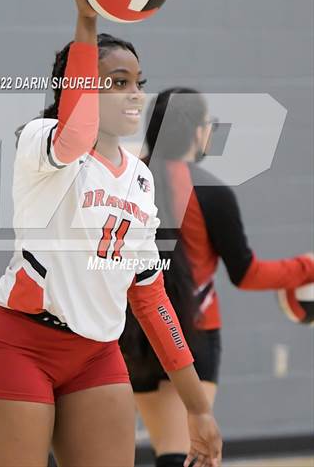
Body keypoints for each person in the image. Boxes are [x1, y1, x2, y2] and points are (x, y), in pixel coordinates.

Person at [0, 0, 222, 467]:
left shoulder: (140, 180)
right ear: (77, 87)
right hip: (20, 347)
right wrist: (85, 18)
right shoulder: (43, 142)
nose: (134, 94)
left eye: (138, 83)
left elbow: (151, 299)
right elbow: (77, 129)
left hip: (97, 355)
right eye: (116, 83)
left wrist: (198, 408)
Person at [120, 87, 314, 467]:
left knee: (169, 452)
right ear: (195, 131)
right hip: (193, 334)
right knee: (189, 455)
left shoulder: (125, 183)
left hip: (134, 332)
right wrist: (307, 266)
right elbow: (247, 274)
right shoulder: (211, 191)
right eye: (208, 124)